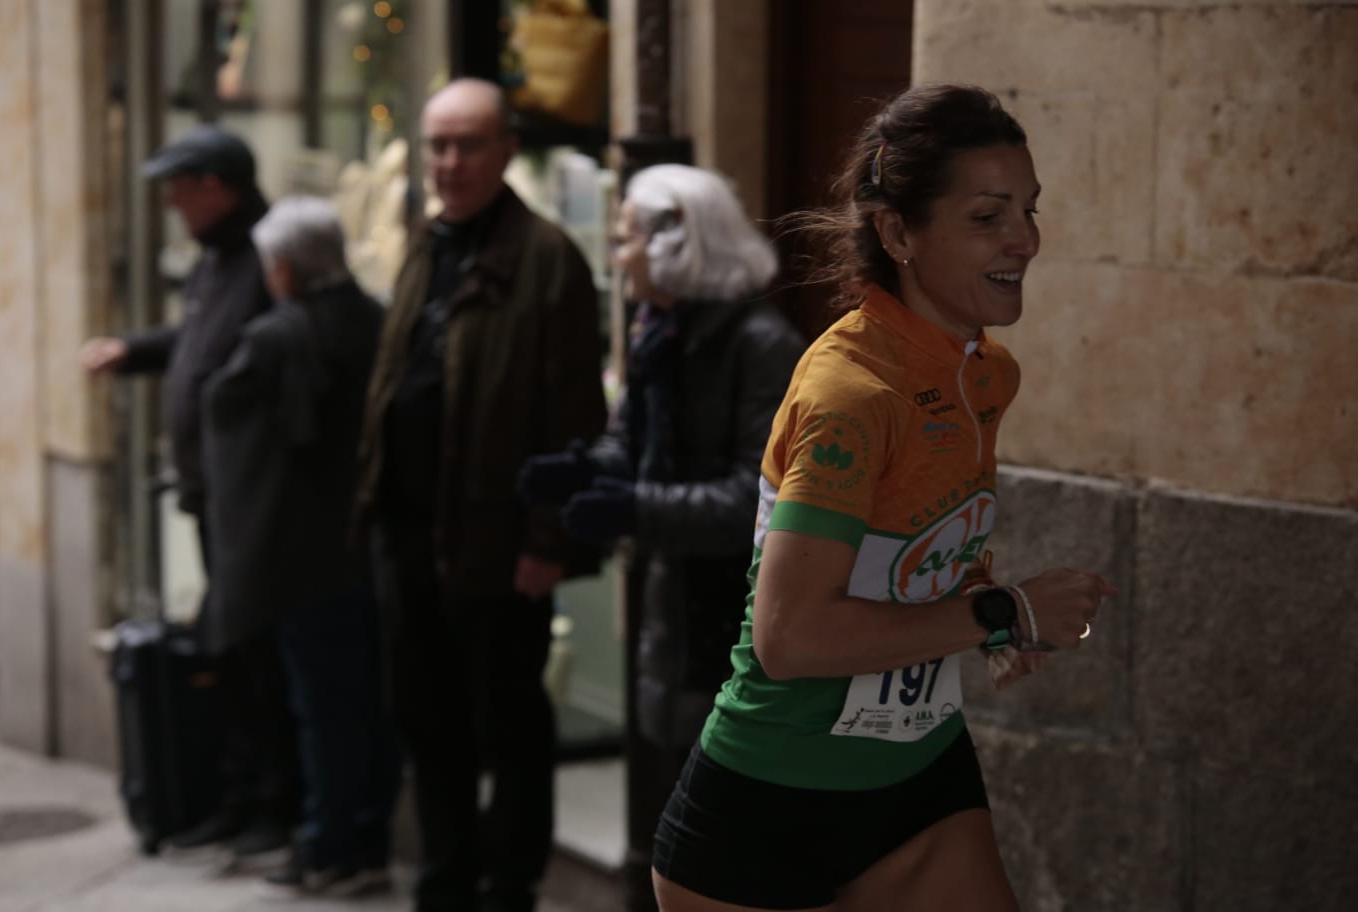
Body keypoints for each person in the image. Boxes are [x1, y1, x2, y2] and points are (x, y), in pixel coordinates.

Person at [647, 84, 1116, 911]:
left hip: (919, 775)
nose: (1026, 239)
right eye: (987, 216)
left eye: (1029, 210)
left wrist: (983, 601)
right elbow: (790, 637)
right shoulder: (851, 393)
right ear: (899, 232)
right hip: (770, 805)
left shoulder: (986, 372)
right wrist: (1002, 613)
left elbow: (910, 550)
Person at [517, 164, 803, 912]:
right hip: (670, 613)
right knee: (671, 829)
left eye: (628, 239)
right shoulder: (658, 333)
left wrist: (634, 508)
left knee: (729, 846)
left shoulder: (759, 344)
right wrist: (579, 471)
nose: (619, 256)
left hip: (732, 621)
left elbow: (759, 500)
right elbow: (632, 445)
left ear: (679, 243)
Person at [352, 78, 608, 912]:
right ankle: (445, 880)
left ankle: (508, 886)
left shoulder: (546, 260)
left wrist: (548, 542)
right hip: (409, 534)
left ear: (504, 151)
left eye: (467, 144)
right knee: (427, 726)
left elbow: (573, 418)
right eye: (438, 145)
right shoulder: (425, 245)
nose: (450, 162)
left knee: (509, 728)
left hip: (498, 543)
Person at [79, 124, 301, 858]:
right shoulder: (216, 261)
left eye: (181, 188)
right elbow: (196, 341)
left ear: (216, 188)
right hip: (215, 498)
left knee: (255, 653)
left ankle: (275, 804)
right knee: (231, 654)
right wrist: (134, 350)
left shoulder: (268, 258)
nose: (173, 202)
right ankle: (241, 797)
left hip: (255, 504)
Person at [199, 195, 401, 896]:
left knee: (323, 711)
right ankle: (363, 840)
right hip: (372, 548)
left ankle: (331, 847)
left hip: (302, 558)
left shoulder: (278, 336)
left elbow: (223, 420)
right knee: (366, 706)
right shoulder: (375, 319)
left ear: (282, 267)